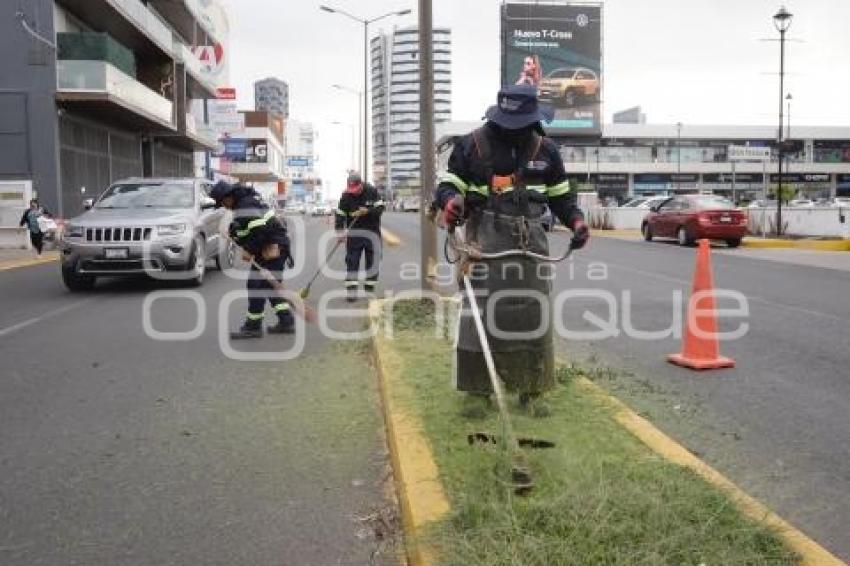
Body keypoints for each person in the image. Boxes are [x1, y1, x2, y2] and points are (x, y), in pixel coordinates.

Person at [432, 84, 590, 415]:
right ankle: (478, 391)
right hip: (482, 244)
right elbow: (448, 186)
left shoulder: (546, 151)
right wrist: (450, 202)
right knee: (479, 316)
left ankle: (531, 389)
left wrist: (576, 222)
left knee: (532, 315)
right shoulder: (471, 145)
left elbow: (561, 198)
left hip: (531, 244)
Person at [210, 181, 295, 339]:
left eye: (222, 202)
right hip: (274, 245)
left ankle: (253, 326)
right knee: (269, 285)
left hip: (272, 247)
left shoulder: (244, 206)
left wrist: (249, 250)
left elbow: (263, 231)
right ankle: (286, 320)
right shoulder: (245, 202)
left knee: (256, 284)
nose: (224, 206)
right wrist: (234, 233)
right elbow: (249, 230)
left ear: (228, 197)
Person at [335, 172, 385, 302]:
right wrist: (340, 232)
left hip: (372, 232)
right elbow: (340, 214)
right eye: (351, 190)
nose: (354, 193)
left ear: (361, 185)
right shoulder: (345, 196)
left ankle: (369, 289)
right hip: (354, 234)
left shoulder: (371, 191)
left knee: (373, 262)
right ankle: (351, 291)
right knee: (352, 262)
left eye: (356, 190)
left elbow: (380, 208)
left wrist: (368, 211)